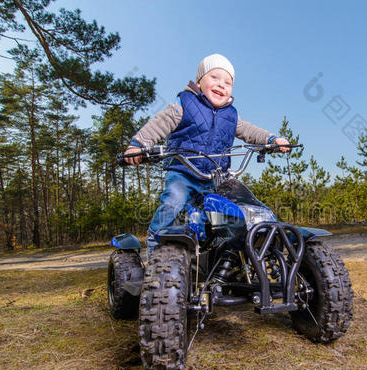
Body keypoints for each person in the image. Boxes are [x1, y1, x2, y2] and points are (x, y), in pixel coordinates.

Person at [124, 54, 289, 258]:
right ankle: (155, 242)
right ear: (199, 80)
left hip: (217, 178)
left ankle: (232, 255)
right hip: (183, 172)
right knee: (174, 200)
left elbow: (249, 131)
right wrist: (139, 144)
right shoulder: (185, 102)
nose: (221, 85)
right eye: (215, 78)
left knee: (239, 209)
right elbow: (160, 123)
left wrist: (272, 139)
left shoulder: (231, 114)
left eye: (228, 82)